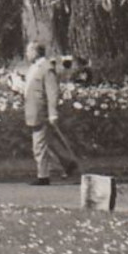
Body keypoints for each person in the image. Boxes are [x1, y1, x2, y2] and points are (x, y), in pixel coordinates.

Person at [24, 42, 79, 185]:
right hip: (34, 111)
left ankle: (43, 176)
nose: (27, 54)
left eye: (29, 51)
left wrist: (53, 113)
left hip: (41, 112)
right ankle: (68, 163)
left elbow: (52, 92)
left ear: (36, 52)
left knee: (39, 145)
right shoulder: (34, 68)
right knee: (50, 142)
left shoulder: (46, 68)